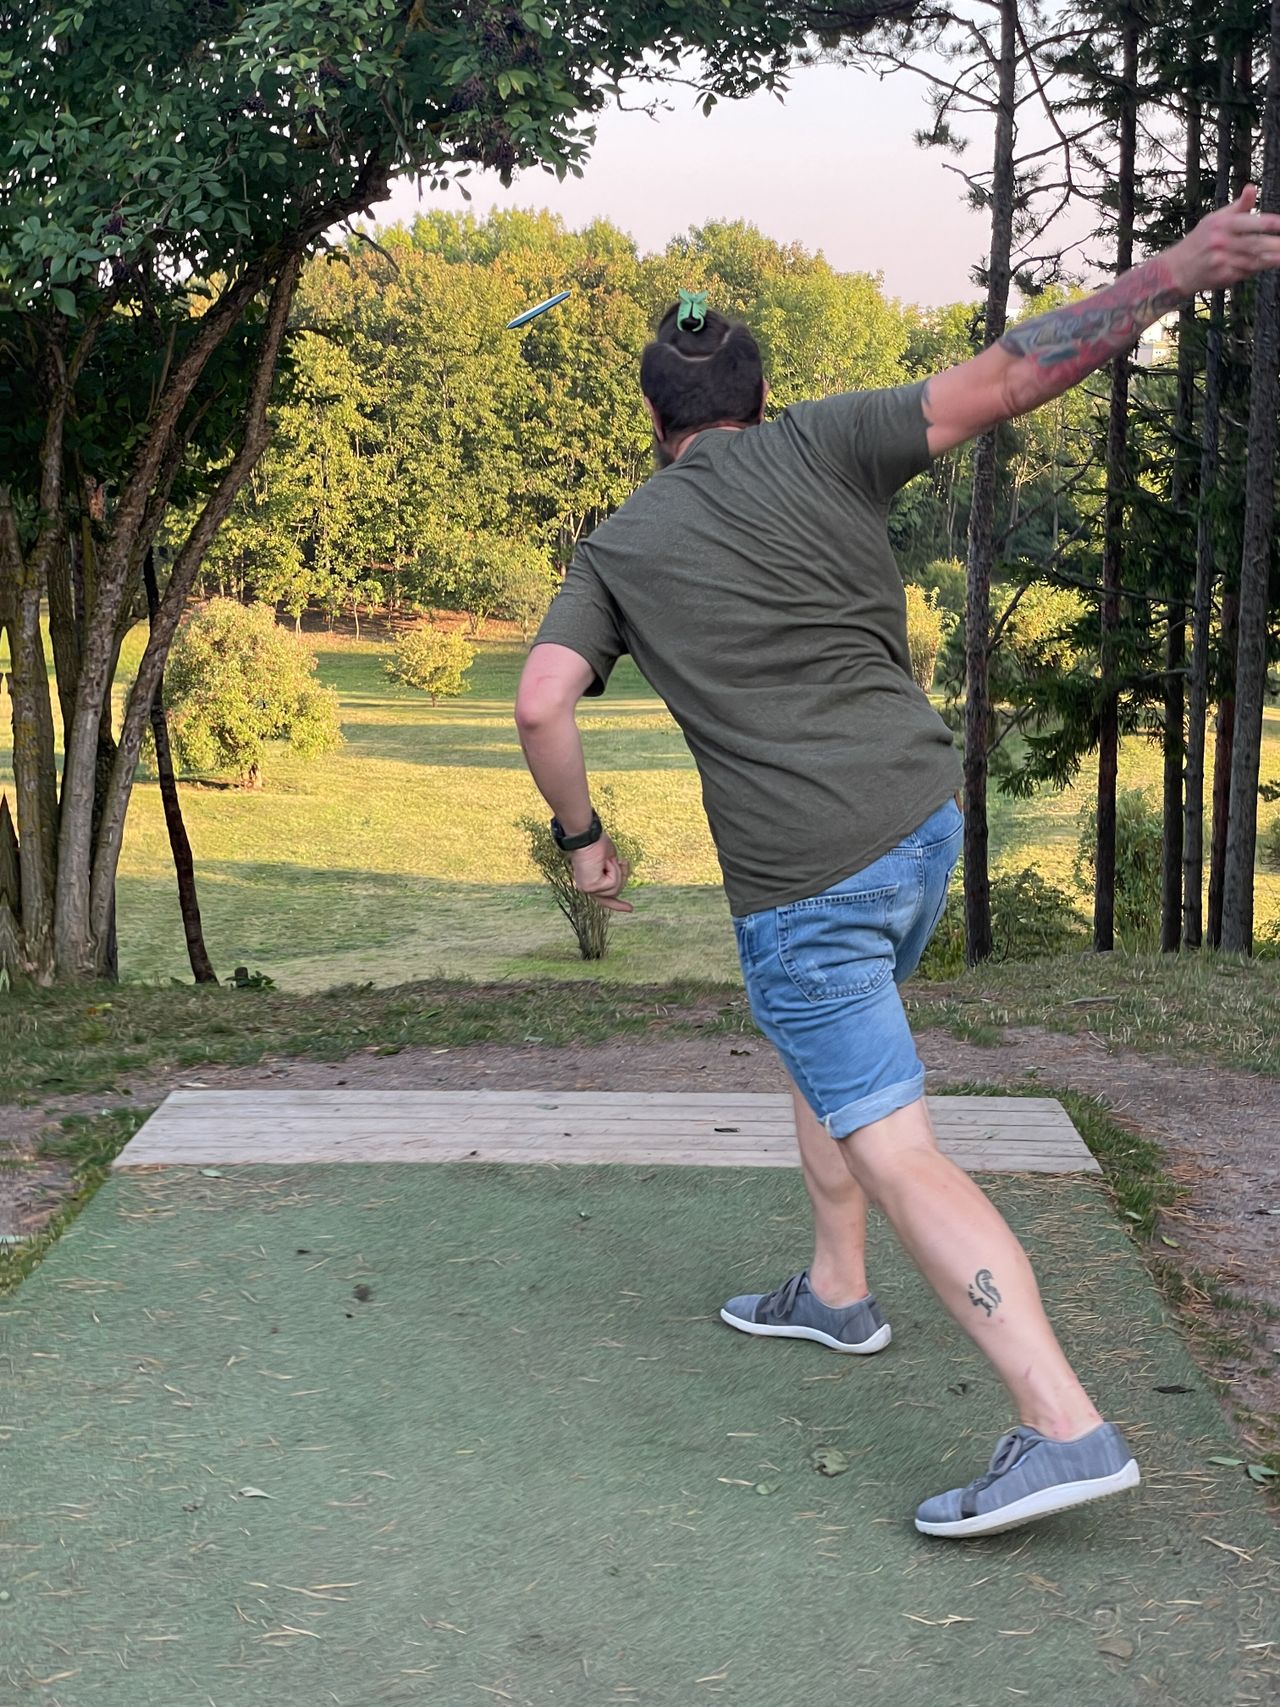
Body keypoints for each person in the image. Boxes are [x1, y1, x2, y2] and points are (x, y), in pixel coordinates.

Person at [514, 189, 1280, 1539]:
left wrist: (585, 846)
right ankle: (836, 1289)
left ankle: (1062, 1424)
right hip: (925, 827)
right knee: (840, 1059)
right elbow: (1014, 370)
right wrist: (1171, 270)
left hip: (806, 881)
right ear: (759, 397)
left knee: (901, 1139)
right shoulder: (828, 440)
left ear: (660, 422)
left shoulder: (621, 540)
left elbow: (540, 702)